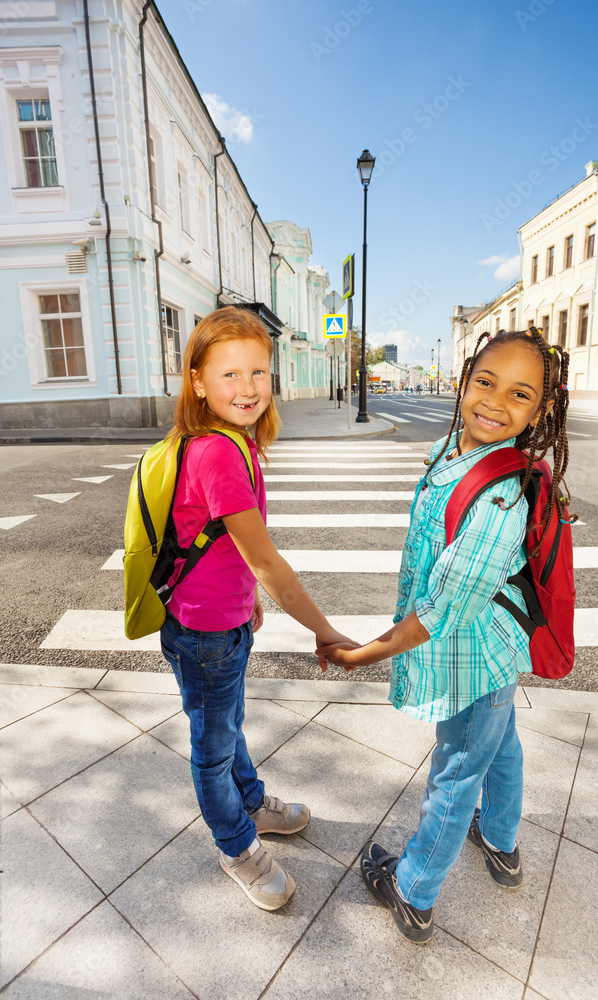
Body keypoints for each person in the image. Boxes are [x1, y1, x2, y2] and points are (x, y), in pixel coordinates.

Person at [317, 328, 571, 944]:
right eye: (484, 382)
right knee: (499, 746)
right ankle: (504, 845)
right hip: (492, 653)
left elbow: (444, 611)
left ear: (541, 411)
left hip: (470, 660)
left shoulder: (504, 499)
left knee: (457, 773)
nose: (493, 402)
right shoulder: (446, 451)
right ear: (463, 381)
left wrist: (363, 653)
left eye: (520, 394)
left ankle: (414, 890)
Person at [160, 306, 355, 912]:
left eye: (259, 373)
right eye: (229, 375)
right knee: (212, 745)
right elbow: (269, 563)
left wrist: (245, 605)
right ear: (196, 382)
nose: (247, 388)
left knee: (226, 725)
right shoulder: (217, 453)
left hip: (223, 621)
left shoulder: (234, 441)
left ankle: (250, 804)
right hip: (203, 633)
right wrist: (324, 631)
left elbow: (222, 546)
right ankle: (236, 844)